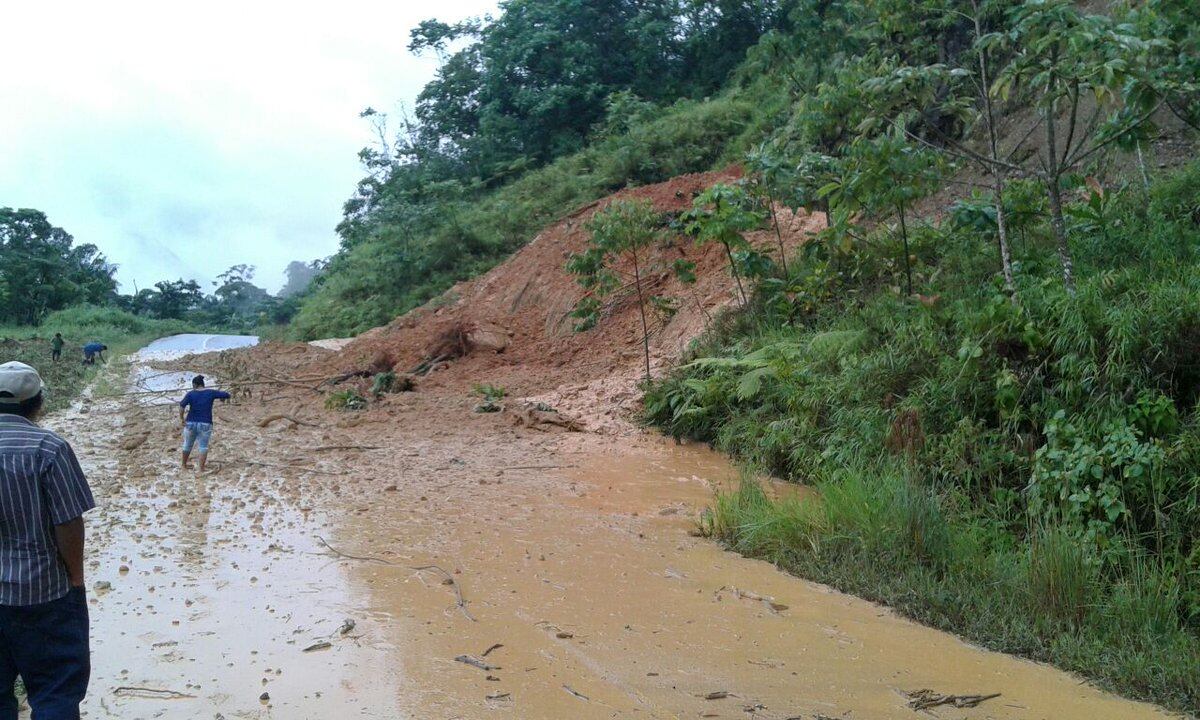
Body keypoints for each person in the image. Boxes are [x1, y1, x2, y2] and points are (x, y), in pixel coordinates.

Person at [0, 361, 95, 720]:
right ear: (38, 403)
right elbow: (68, 522)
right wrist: (76, 579)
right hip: (43, 592)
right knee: (55, 690)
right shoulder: (49, 447)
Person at [179, 375, 231, 472]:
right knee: (203, 446)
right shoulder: (210, 392)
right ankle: (201, 468)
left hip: (191, 422)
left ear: (195, 385)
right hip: (205, 423)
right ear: (203, 384)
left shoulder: (190, 394)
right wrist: (223, 398)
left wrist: (182, 419)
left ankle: (183, 465)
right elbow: (226, 394)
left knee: (187, 444)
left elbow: (182, 406)